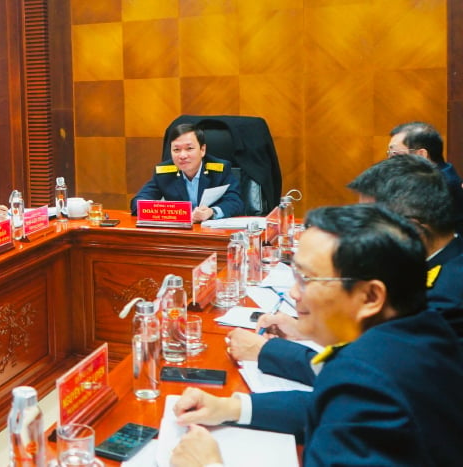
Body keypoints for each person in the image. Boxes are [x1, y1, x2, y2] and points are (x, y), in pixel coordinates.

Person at [170, 204, 463, 466]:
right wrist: (231, 407)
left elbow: (352, 403)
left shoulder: (365, 379)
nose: (294, 293)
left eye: (306, 279)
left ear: (370, 296)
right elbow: (329, 408)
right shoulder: (421, 333)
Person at [226, 155, 463, 386]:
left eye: (369, 223)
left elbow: (369, 373)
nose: (357, 234)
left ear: (412, 228)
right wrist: (307, 328)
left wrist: (268, 351)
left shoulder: (448, 297)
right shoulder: (429, 264)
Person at [130, 123, 243, 222]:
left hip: (211, 233)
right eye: (176, 150)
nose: (182, 156)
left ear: (202, 150)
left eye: (189, 149)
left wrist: (211, 212)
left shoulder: (219, 170)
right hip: (179, 234)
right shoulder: (164, 173)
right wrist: (167, 211)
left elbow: (235, 202)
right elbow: (138, 202)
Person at [388, 121, 463, 231]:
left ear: (421, 154)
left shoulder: (439, 185)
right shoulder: (439, 174)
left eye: (395, 153)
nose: (390, 159)